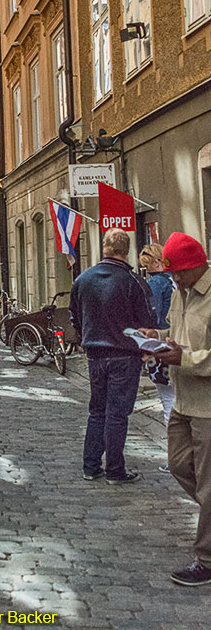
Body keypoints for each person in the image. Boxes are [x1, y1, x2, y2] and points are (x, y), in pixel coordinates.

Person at [139, 232, 211, 587]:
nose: (174, 279)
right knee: (180, 464)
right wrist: (157, 335)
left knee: (210, 484)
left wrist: (187, 357)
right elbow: (177, 334)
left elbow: (196, 351)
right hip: (182, 399)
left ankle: (208, 558)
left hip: (208, 406)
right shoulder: (179, 293)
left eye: (179, 272)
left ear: (197, 265)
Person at [69, 228, 156, 485]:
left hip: (95, 354)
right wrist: (146, 348)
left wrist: (86, 336)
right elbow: (147, 322)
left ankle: (91, 465)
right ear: (125, 251)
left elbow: (75, 315)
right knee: (117, 414)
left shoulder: (83, 280)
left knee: (97, 411)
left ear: (104, 247)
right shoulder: (133, 283)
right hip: (124, 356)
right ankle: (115, 470)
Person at [139, 243, 176, 470]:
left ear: (154, 262)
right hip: (177, 339)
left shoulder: (155, 283)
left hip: (161, 343)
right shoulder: (174, 280)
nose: (147, 268)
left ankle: (174, 456)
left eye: (147, 264)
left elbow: (154, 315)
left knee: (168, 399)